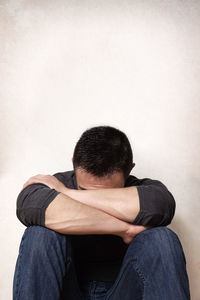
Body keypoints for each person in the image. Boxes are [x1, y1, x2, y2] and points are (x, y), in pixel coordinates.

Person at [13, 125, 190, 300]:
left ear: (129, 169)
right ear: (74, 162)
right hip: (68, 290)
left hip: (124, 291)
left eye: (107, 193)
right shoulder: (53, 182)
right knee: (39, 235)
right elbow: (30, 205)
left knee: (161, 238)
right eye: (84, 190)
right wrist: (123, 230)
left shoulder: (146, 189)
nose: (91, 196)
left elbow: (161, 206)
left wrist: (68, 194)